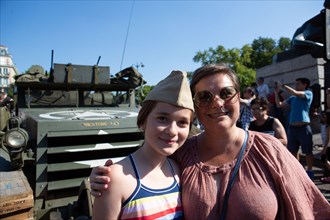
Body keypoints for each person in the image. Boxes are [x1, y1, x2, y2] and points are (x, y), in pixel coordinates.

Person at [90, 64, 330, 219]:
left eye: (226, 93)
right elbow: (149, 159)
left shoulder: (270, 150)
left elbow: (307, 209)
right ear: (195, 106)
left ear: (239, 97)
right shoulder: (180, 156)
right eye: (205, 97)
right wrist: (107, 176)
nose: (217, 103)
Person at [92, 70, 194, 219]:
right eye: (162, 118)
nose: (172, 131)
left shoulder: (179, 172)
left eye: (182, 122)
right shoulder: (115, 179)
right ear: (142, 121)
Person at [274, 79, 315, 179]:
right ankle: (297, 169)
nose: (296, 85)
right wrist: (276, 93)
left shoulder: (308, 93)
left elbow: (296, 92)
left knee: (308, 151)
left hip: (303, 128)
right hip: (292, 128)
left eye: (298, 83)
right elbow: (279, 105)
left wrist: (283, 85)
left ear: (305, 85)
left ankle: (310, 170)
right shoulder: (292, 98)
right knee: (293, 151)